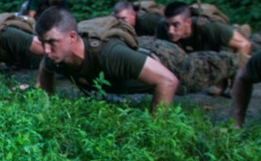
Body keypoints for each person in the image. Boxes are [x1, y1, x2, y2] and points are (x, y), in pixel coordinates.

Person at [35, 8, 178, 112]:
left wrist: (155, 131)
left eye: (52, 42)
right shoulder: (55, 57)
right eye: (42, 43)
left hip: (169, 59)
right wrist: (48, 107)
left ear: (72, 37)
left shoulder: (109, 54)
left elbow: (168, 81)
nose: (46, 50)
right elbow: (45, 69)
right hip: (142, 50)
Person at [161, 1, 252, 57]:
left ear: (188, 22)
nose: (170, 31)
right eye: (167, 25)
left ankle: (239, 30)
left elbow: (245, 44)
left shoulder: (207, 26)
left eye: (176, 25)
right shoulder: (162, 27)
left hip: (218, 45)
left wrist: (235, 77)